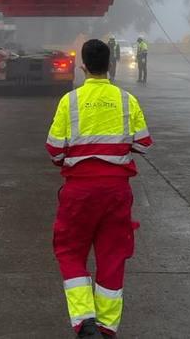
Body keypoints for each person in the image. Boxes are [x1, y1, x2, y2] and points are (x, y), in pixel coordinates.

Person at [47, 39, 153, 337]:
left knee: (69, 251)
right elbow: (143, 144)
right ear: (110, 65)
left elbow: (54, 149)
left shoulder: (70, 101)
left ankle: (85, 321)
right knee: (113, 255)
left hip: (78, 193)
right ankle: (107, 327)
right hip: (116, 192)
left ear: (83, 67)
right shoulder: (126, 100)